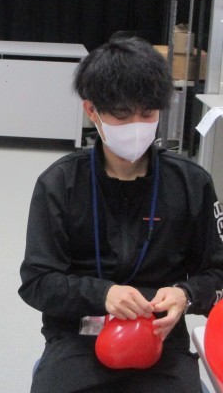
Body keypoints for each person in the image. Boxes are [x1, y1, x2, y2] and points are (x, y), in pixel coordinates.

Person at [18, 35, 223, 392]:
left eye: (148, 114)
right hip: (78, 338)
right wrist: (102, 294)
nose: (136, 126)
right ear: (92, 110)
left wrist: (187, 294)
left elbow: (218, 273)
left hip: (162, 340)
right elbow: (37, 282)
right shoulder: (60, 184)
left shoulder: (192, 184)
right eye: (122, 114)